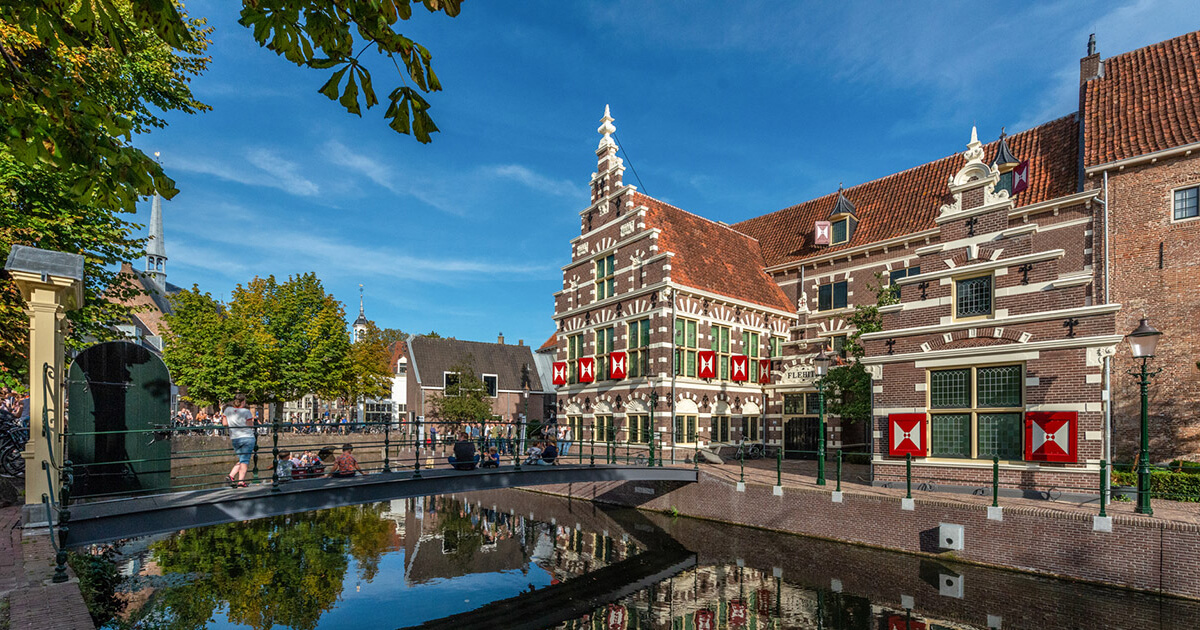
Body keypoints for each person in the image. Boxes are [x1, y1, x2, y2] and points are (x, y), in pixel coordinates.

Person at [222, 394, 255, 487]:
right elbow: (250, 425)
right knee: (244, 460)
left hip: (235, 437)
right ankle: (240, 481)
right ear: (243, 402)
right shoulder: (246, 412)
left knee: (242, 459)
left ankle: (231, 476)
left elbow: (224, 423)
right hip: (247, 437)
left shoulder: (227, 410)